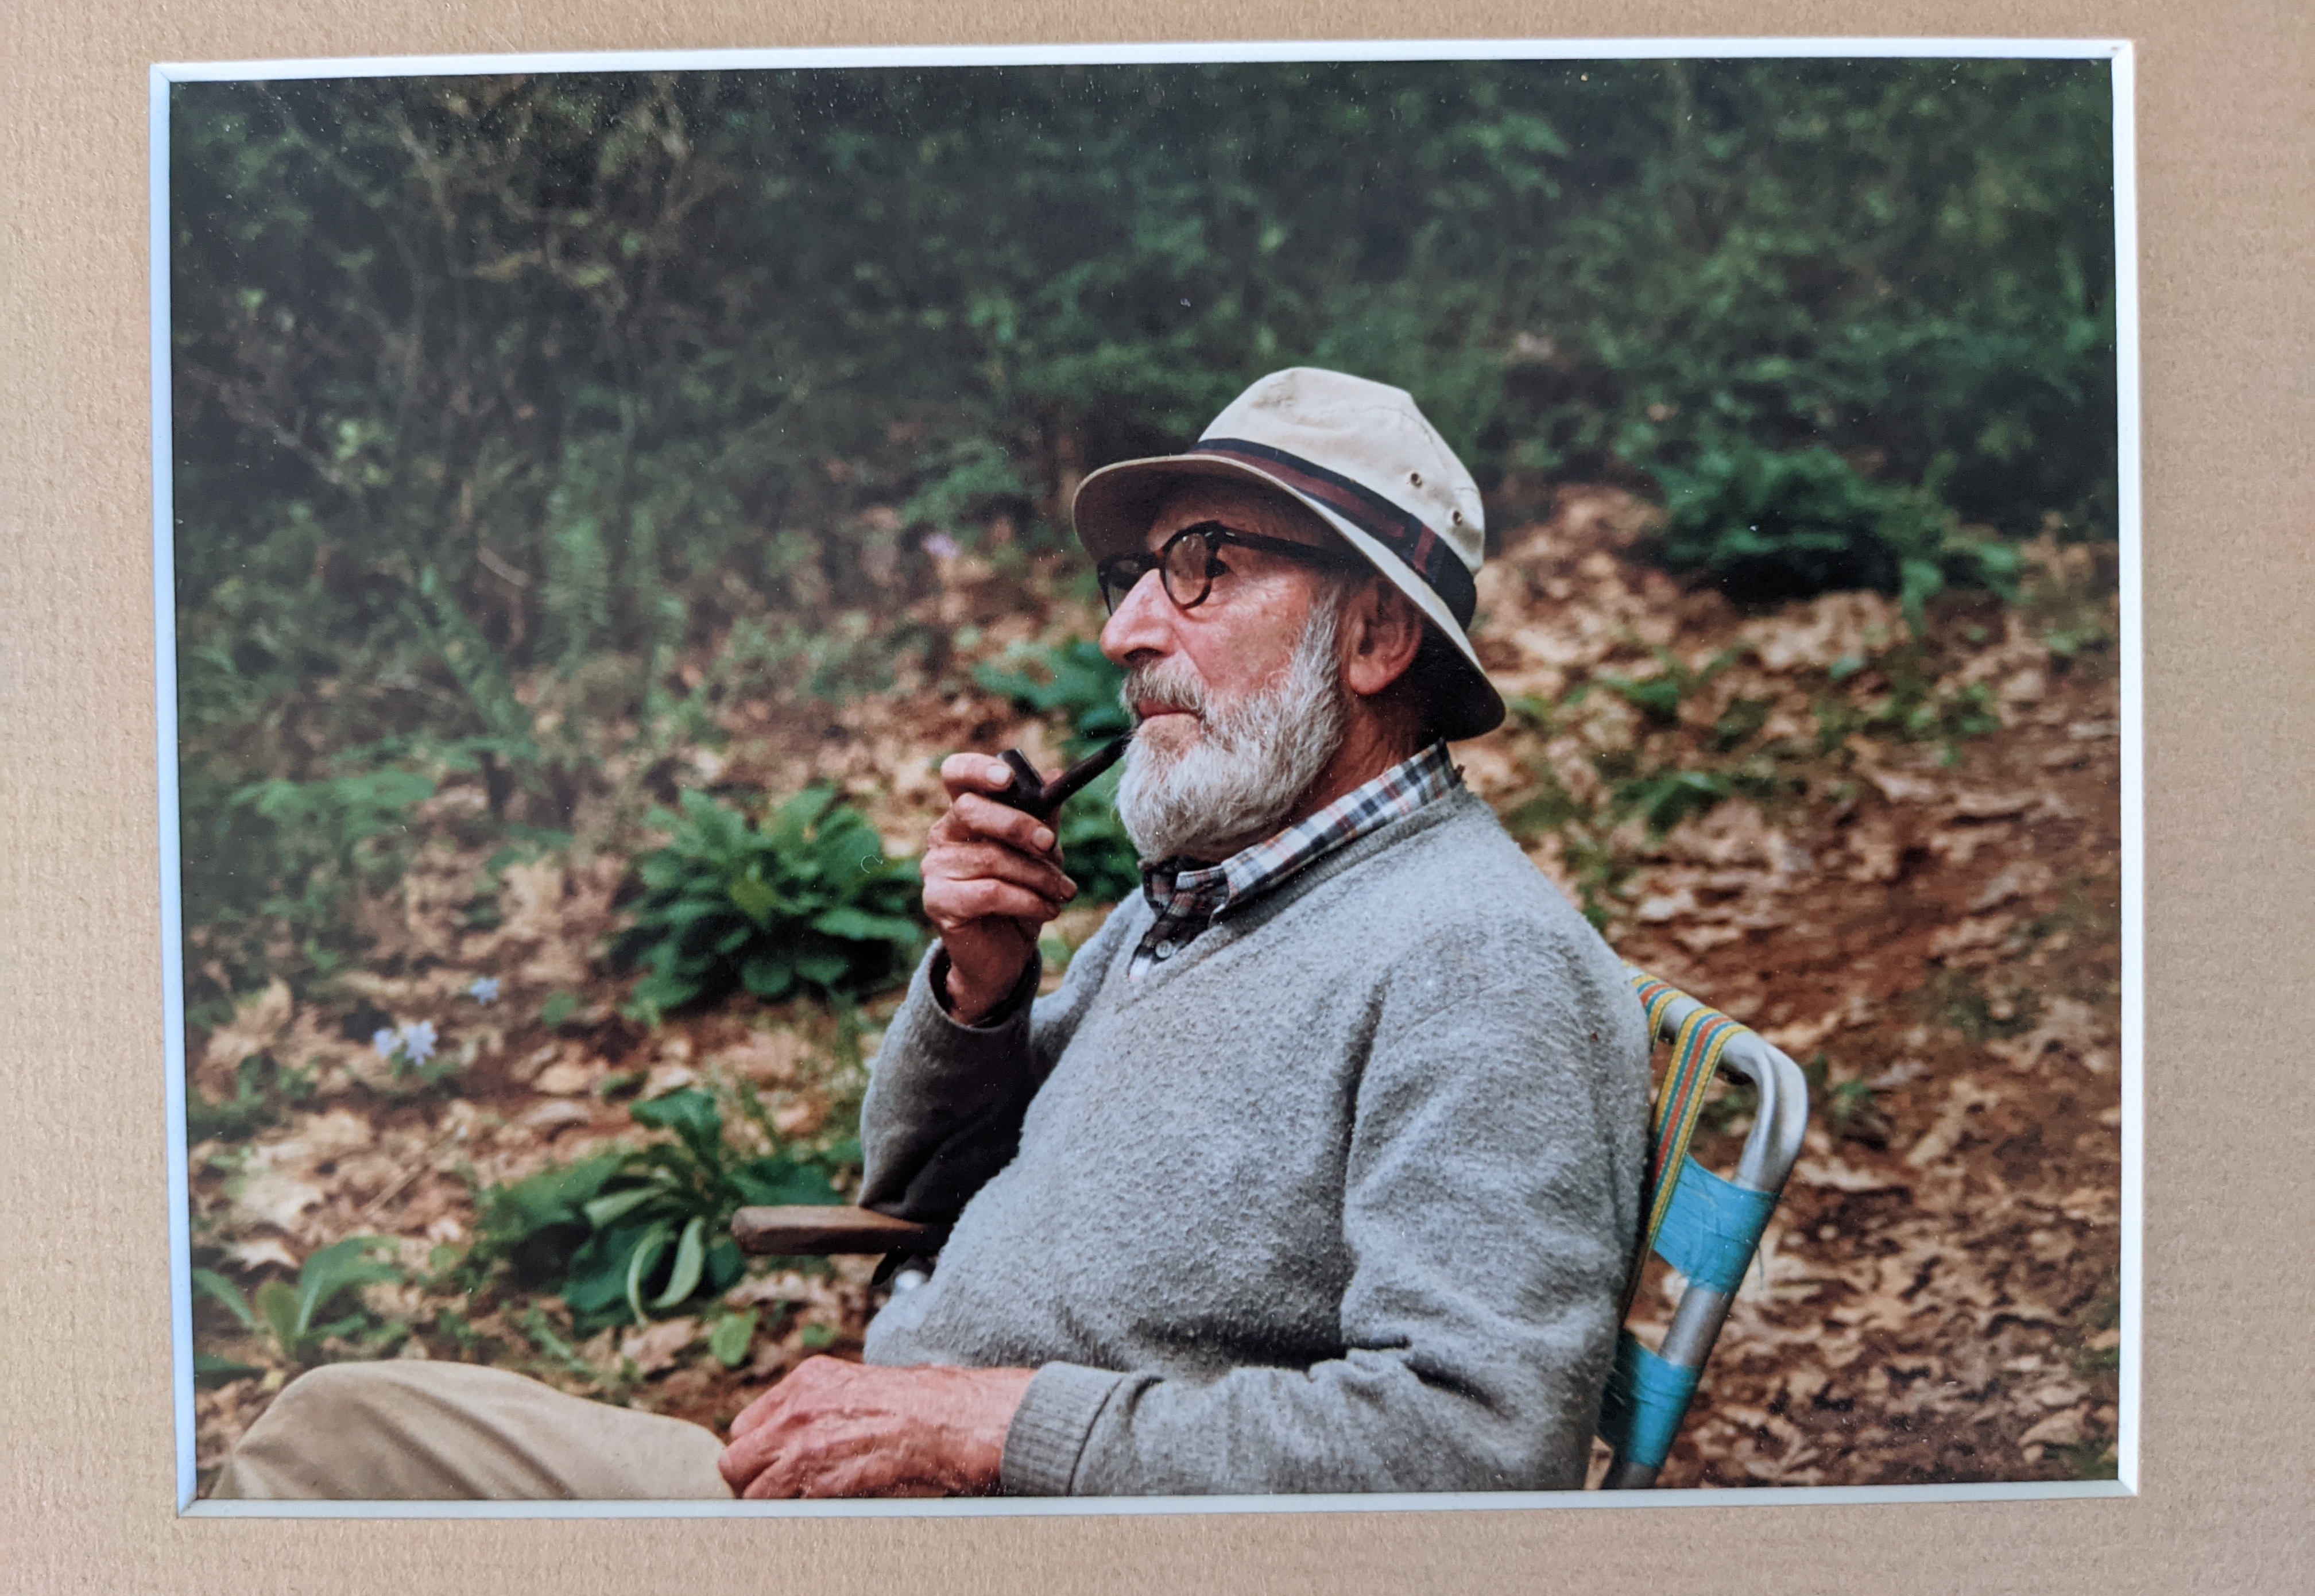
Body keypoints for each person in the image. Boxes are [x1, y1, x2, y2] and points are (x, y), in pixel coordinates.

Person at [213, 367, 1648, 1502]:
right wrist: (982, 987)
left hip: (1018, 1593)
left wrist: (990, 1425)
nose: (1127, 631)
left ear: (1376, 642)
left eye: (1202, 564)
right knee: (343, 1426)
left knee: (336, 1464)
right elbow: (924, 1182)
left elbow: (1478, 1449)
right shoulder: (1213, 894)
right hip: (892, 1490)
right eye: (1135, 575)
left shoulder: (1476, 960)